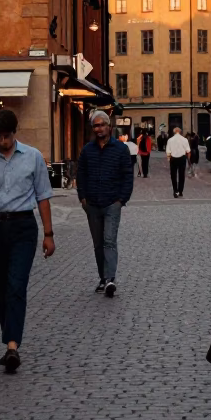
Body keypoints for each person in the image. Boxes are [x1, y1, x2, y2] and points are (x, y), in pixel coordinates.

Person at [0, 108, 55, 374]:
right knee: (1, 287)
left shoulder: (33, 157)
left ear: (14, 133)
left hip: (24, 227)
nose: (2, 141)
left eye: (6, 136)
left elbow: (43, 196)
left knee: (16, 284)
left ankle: (12, 346)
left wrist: (48, 234)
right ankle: (11, 340)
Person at [77, 110, 135, 298]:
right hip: (92, 204)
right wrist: (83, 198)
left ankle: (110, 278)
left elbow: (127, 175)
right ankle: (103, 278)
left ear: (109, 127)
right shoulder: (87, 150)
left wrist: (121, 199)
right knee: (97, 243)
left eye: (102, 125)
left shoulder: (120, 149)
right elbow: (81, 175)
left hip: (112, 203)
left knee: (109, 240)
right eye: (96, 125)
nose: (99, 128)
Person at [166, 126, 191, 198]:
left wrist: (168, 159)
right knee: (181, 175)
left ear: (174, 132)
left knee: (173, 175)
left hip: (173, 158)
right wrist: (188, 160)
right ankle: (180, 191)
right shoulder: (184, 139)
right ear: (180, 132)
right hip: (182, 158)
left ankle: (175, 190)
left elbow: (168, 151)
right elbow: (188, 151)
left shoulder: (170, 140)